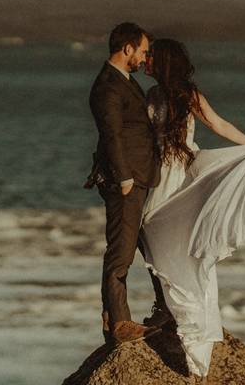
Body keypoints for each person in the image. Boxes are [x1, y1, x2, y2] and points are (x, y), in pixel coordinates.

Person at [139, 38, 245, 376]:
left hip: (179, 173)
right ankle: (166, 307)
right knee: (150, 235)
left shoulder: (187, 95)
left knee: (178, 243)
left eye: (151, 56)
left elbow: (218, 124)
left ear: (163, 62)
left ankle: (185, 321)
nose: (145, 60)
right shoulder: (151, 96)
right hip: (157, 174)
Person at [86, 22, 169, 346]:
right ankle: (119, 323)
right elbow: (112, 136)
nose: (145, 58)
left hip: (140, 177)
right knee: (120, 254)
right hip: (127, 181)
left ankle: (158, 310)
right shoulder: (107, 86)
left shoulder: (125, 81)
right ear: (128, 48)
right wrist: (123, 178)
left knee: (149, 247)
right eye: (144, 51)